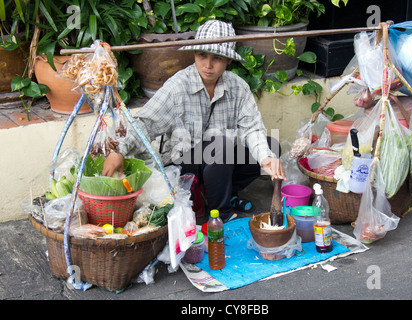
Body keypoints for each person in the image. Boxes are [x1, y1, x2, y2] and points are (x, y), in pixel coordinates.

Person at [102, 20, 285, 221]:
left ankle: (227, 193)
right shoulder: (178, 86)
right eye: (202, 55)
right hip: (185, 164)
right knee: (220, 145)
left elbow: (252, 129)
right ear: (194, 54)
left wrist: (266, 158)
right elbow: (147, 123)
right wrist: (118, 150)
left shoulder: (238, 87)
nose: (208, 65)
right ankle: (220, 215)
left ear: (228, 61)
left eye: (217, 58)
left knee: (270, 146)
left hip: (219, 160)